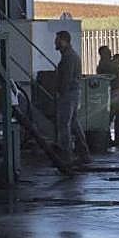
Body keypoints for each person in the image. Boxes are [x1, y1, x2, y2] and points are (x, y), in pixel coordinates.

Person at [51, 30, 86, 164]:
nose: (55, 43)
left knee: (64, 124)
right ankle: (84, 153)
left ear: (64, 41)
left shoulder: (68, 57)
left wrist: (60, 93)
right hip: (73, 93)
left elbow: (66, 78)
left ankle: (67, 156)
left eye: (57, 40)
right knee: (74, 123)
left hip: (68, 94)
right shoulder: (70, 55)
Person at [98, 45, 119, 148]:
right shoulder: (104, 65)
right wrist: (118, 64)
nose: (110, 53)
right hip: (113, 95)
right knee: (110, 119)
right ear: (102, 54)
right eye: (107, 52)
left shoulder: (110, 63)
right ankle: (108, 139)